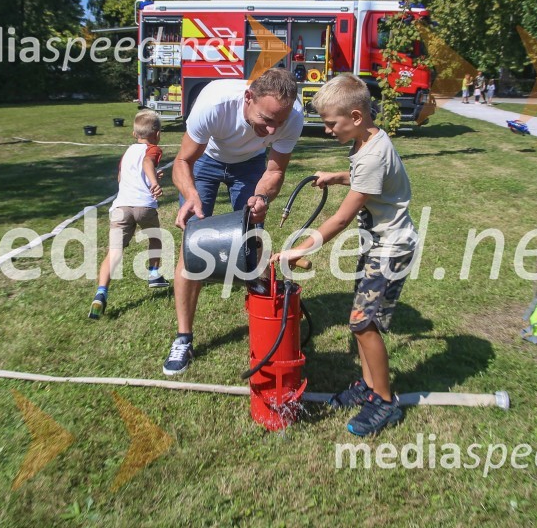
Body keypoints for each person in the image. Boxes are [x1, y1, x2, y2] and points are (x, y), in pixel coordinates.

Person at [271, 74, 418, 436]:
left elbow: (340, 219)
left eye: (330, 122)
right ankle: (368, 388)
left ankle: (384, 402)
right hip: (377, 245)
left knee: (363, 323)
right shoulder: (368, 141)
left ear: (355, 116)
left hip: (391, 248)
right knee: (360, 318)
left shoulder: (371, 156)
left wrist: (300, 249)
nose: (326, 130)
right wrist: (336, 176)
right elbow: (364, 177)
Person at [163, 68, 304, 375]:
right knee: (192, 247)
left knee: (252, 243)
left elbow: (275, 171)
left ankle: (263, 328)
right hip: (206, 160)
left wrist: (262, 199)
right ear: (248, 97)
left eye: (277, 124)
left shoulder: (293, 116)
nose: (270, 131)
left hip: (251, 165)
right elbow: (183, 161)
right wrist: (189, 195)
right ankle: (184, 337)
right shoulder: (214, 103)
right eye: (266, 120)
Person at [88, 110, 169, 320]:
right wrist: (153, 182)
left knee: (113, 253)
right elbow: (147, 163)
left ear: (134, 134)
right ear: (158, 134)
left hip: (120, 208)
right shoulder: (153, 149)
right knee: (155, 238)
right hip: (143, 207)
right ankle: (153, 273)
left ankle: (101, 293)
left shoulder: (127, 153)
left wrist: (147, 177)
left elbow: (121, 178)